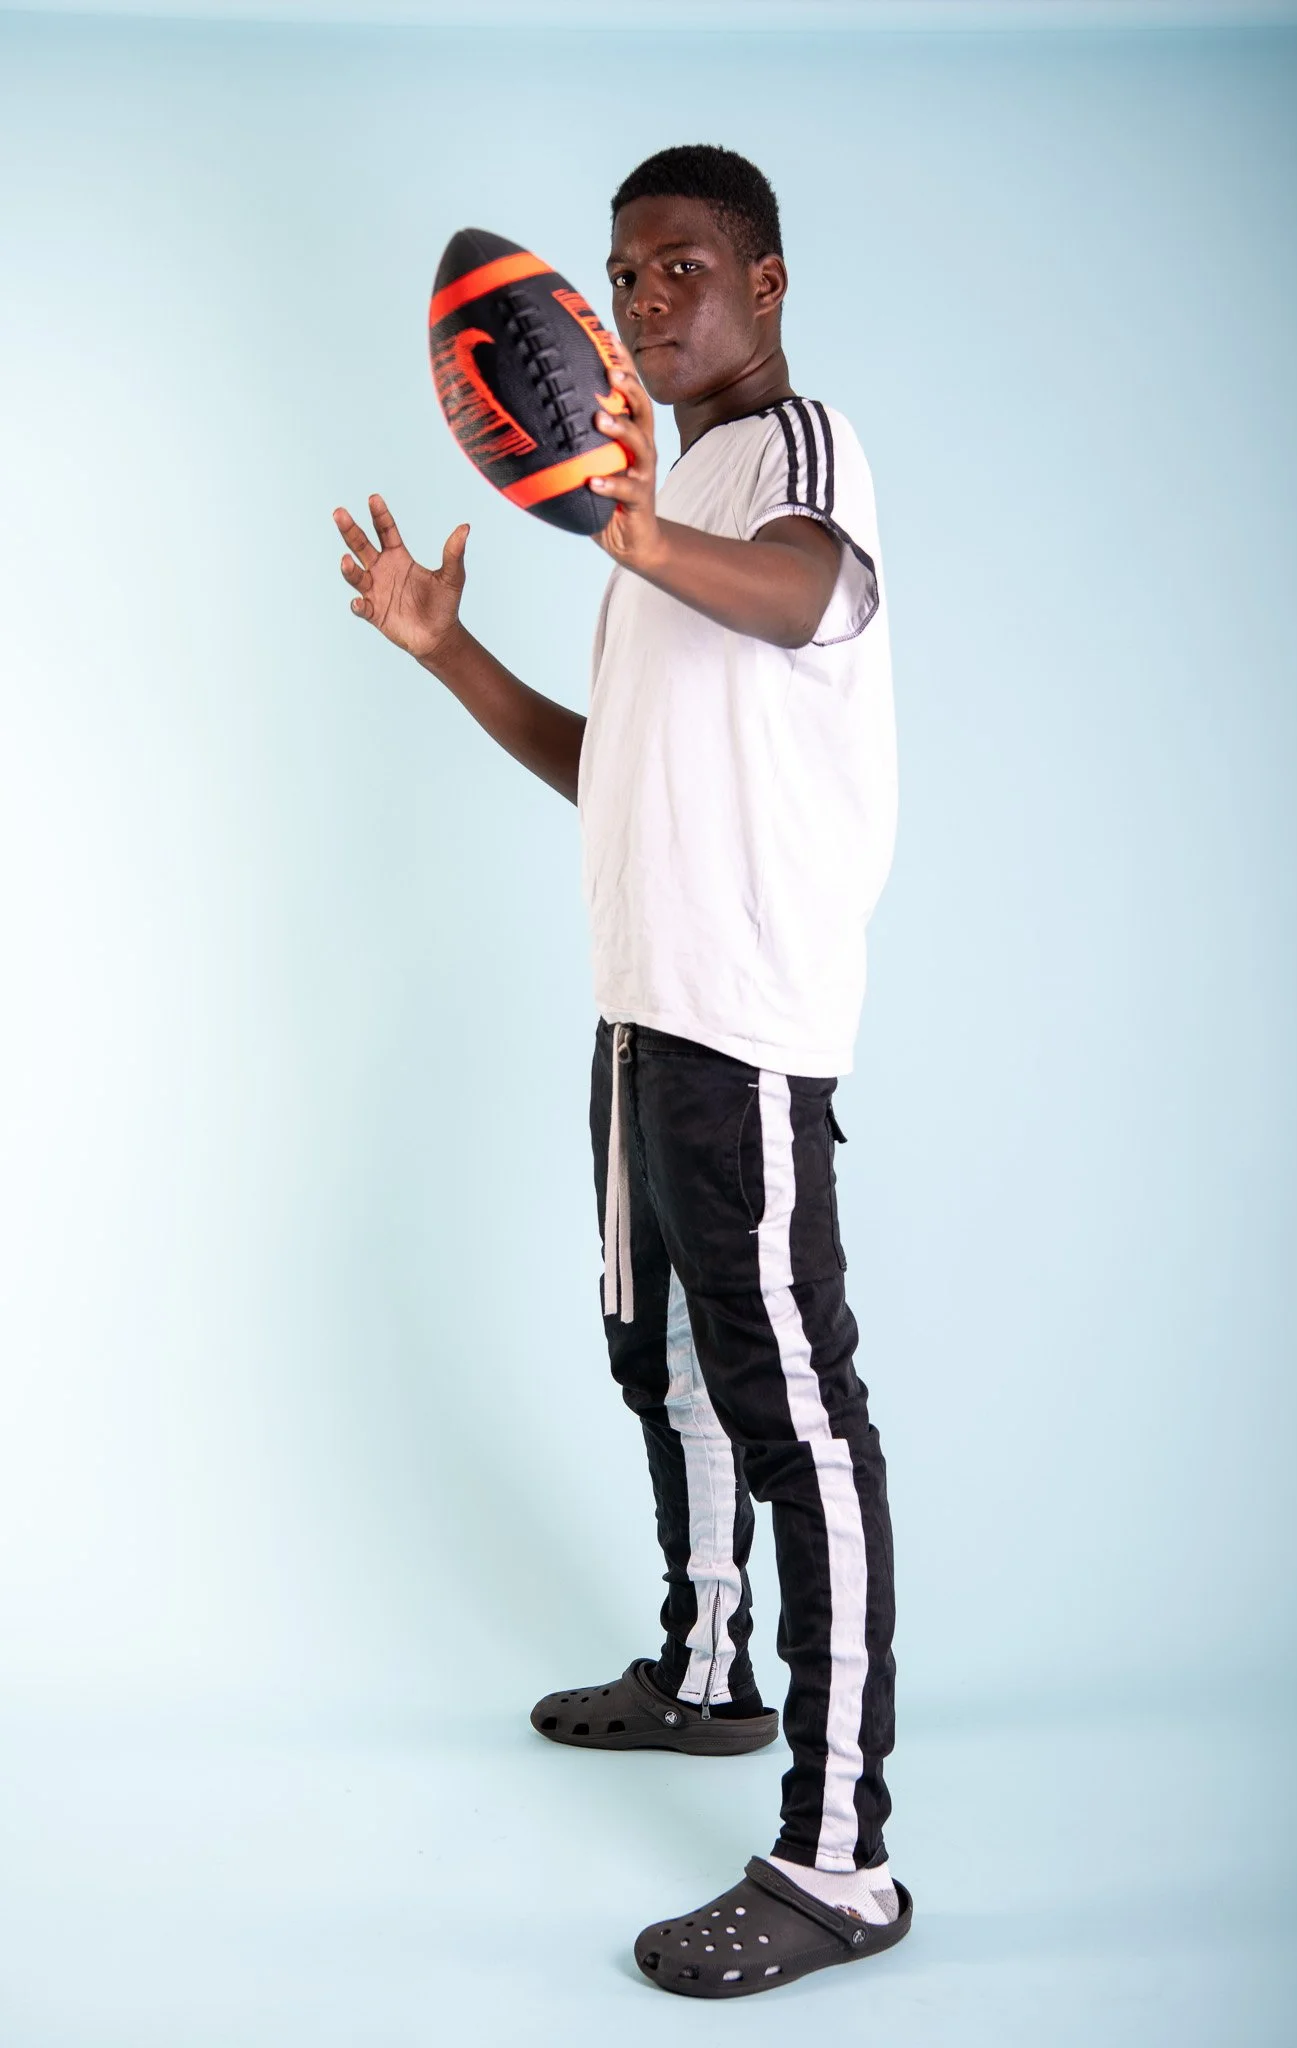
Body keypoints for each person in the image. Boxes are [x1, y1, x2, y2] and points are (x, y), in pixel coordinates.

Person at [332, 143, 908, 2000]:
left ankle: (842, 1861)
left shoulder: (785, 461)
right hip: (641, 1007)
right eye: (624, 278)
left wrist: (638, 528)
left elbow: (815, 597)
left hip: (744, 1020)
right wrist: (446, 652)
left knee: (791, 1403)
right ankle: (710, 1674)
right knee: (652, 1362)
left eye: (679, 271)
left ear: (770, 283)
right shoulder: (645, 512)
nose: (647, 306)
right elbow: (615, 764)